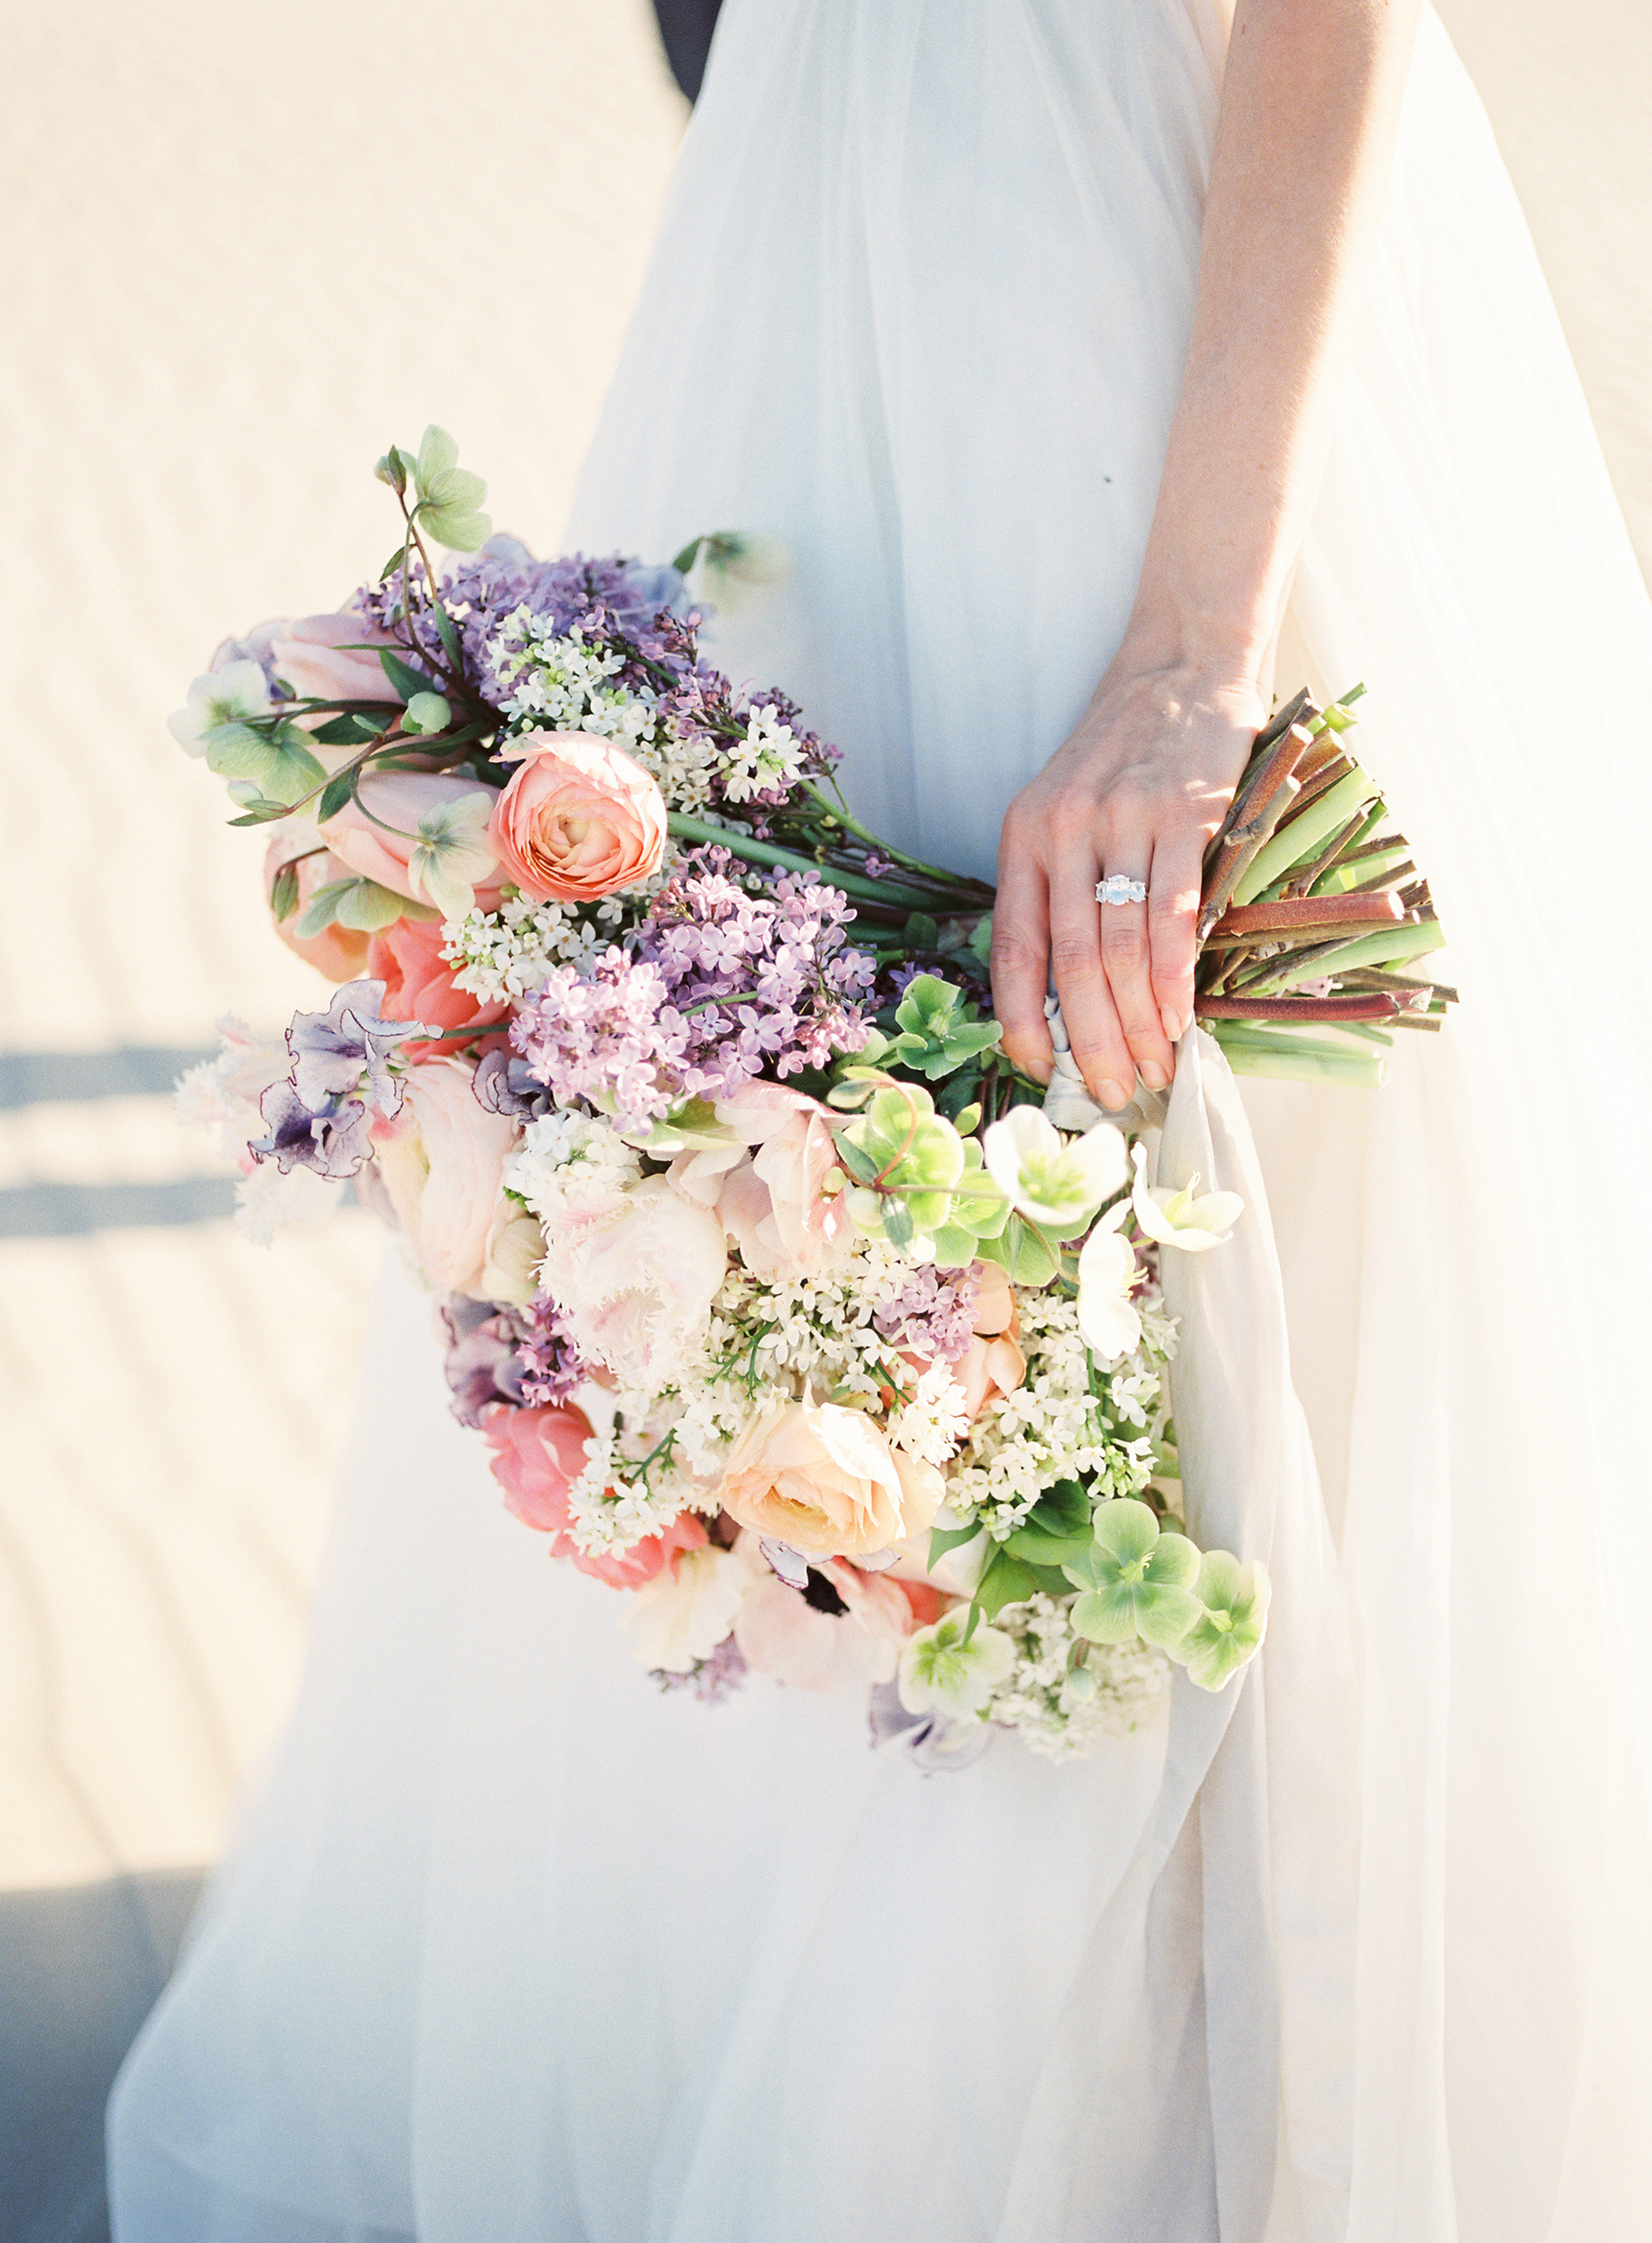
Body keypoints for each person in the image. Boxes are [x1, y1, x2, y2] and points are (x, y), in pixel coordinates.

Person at [108, 2, 1652, 2236]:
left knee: (1223, 1251)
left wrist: (1193, 652)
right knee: (785, 1238)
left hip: (1146, 327)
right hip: (828, 305)